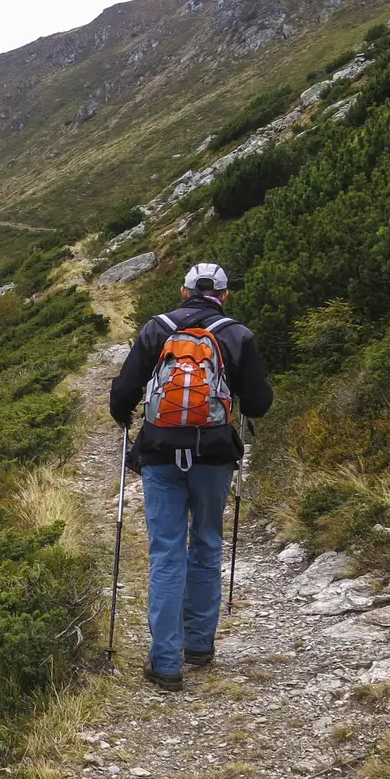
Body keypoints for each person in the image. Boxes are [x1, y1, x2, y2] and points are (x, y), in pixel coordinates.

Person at [109, 263, 272, 691]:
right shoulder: (237, 335)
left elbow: (122, 393)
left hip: (160, 452)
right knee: (206, 543)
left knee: (166, 553)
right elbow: (257, 404)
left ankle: (165, 662)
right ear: (225, 295)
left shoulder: (156, 329)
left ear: (183, 292)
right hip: (214, 455)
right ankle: (199, 645)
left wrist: (126, 417)